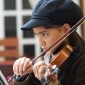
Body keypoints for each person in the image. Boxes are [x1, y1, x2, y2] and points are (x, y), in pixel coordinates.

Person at [12, 0, 85, 85]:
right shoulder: (50, 57)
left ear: (65, 29)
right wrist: (22, 75)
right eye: (37, 35)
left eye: (44, 34)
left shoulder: (81, 62)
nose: (41, 42)